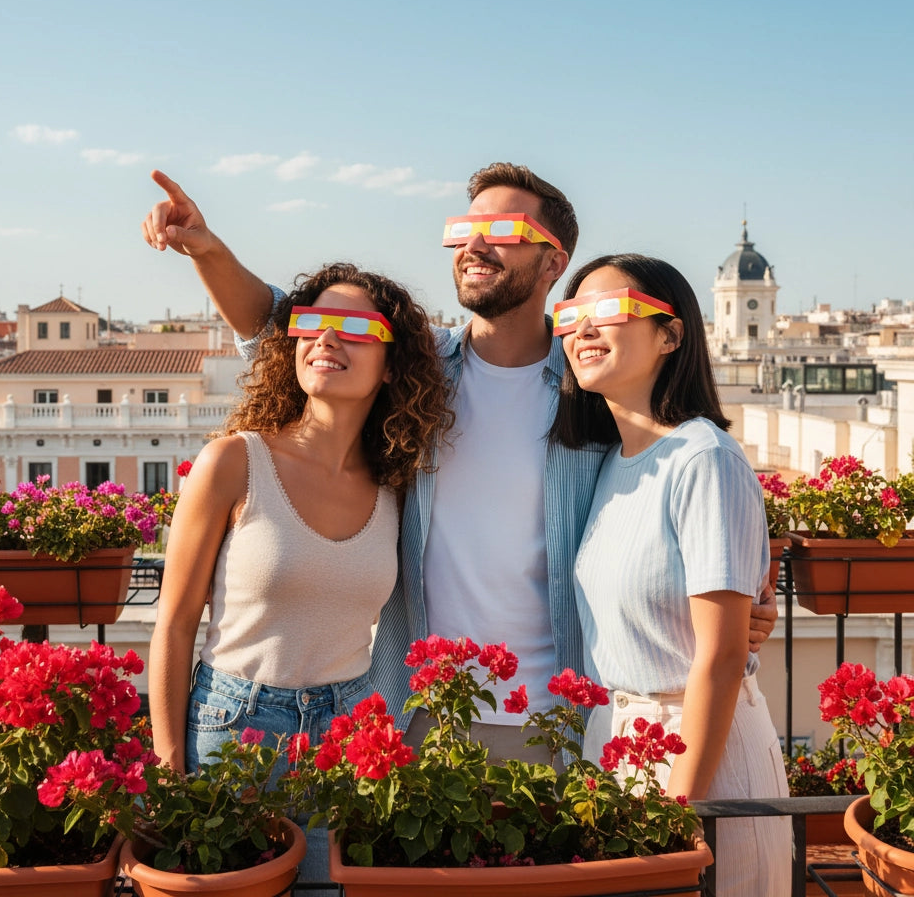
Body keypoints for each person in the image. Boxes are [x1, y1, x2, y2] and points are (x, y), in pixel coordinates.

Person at [142, 165, 777, 763]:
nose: (475, 246)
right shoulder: (420, 376)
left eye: (503, 232)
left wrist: (751, 575)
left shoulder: (592, 385)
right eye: (464, 232)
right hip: (419, 712)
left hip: (561, 718)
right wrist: (206, 248)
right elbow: (292, 326)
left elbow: (672, 473)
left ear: (555, 260)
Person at [148, 261, 452, 778]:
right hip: (234, 726)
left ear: (391, 364)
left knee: (326, 866)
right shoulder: (233, 463)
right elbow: (174, 626)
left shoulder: (398, 489)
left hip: (348, 734)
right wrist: (167, 764)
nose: (327, 338)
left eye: (355, 328)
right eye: (310, 325)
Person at [552, 254, 790, 896]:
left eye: (609, 310)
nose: (583, 330)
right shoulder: (611, 464)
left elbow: (720, 654)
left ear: (671, 334)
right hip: (615, 745)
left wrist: (675, 812)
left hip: (695, 760)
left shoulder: (703, 459)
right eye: (570, 315)